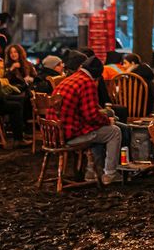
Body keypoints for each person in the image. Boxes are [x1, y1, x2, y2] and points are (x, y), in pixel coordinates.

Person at [49, 55, 122, 184]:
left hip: (53, 133)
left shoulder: (70, 79)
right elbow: (91, 116)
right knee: (114, 131)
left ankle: (91, 172)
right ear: (97, 75)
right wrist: (107, 120)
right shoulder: (87, 83)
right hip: (69, 135)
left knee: (100, 131)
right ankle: (110, 174)